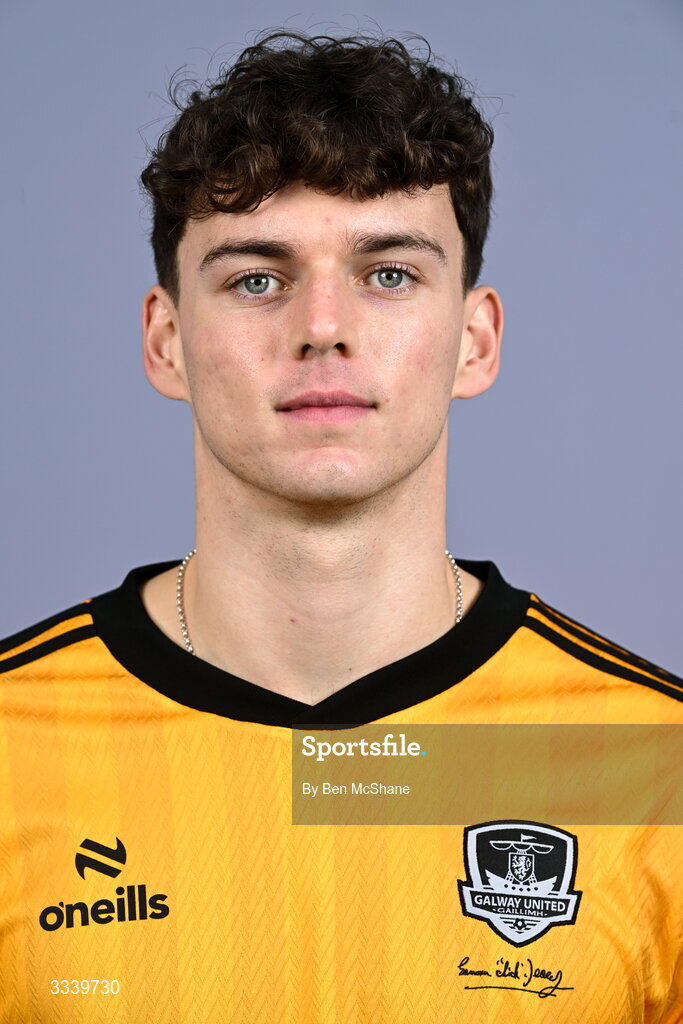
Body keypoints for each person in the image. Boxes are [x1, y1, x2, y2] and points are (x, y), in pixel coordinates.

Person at [0, 29, 681, 1023]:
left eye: (390, 273)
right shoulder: (12, 749)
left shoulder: (653, 769)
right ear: (165, 341)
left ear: (474, 339)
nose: (322, 325)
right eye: (255, 278)